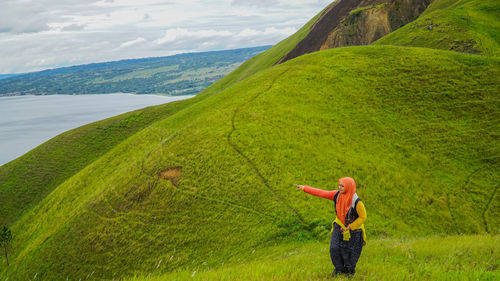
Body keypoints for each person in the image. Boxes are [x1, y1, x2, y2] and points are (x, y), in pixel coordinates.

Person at [294, 177, 366, 277]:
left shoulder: (357, 202)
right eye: (339, 185)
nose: (339, 187)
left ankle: (350, 272)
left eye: (342, 186)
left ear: (349, 187)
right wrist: (304, 188)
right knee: (334, 248)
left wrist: (351, 227)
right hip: (339, 225)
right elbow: (321, 192)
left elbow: (363, 217)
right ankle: (339, 269)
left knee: (350, 252)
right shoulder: (336, 195)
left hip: (354, 231)